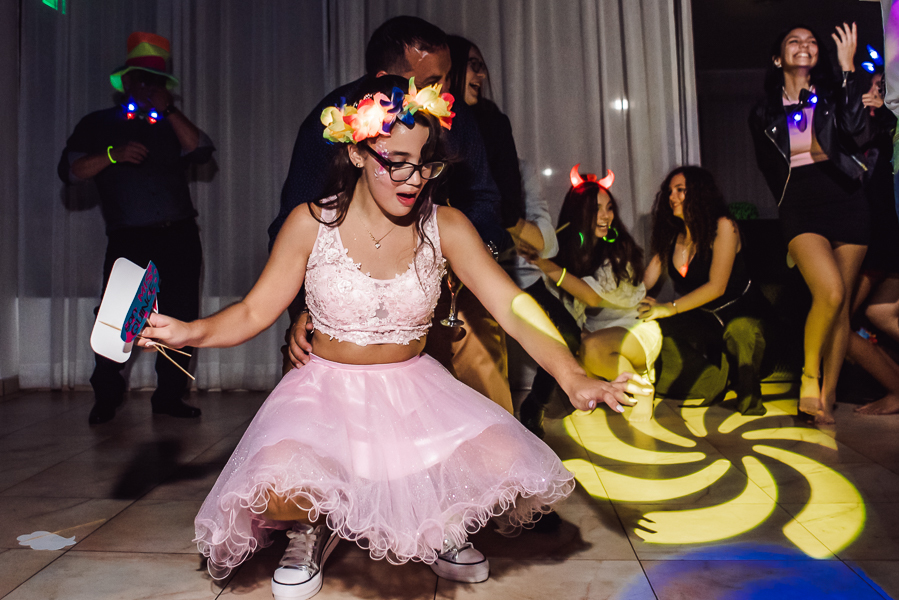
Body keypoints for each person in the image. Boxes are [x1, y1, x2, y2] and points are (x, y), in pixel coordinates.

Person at [139, 77, 649, 600]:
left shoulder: (447, 225)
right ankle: (312, 527)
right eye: (397, 162)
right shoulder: (310, 223)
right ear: (358, 153)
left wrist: (572, 375)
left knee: (501, 460)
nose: (414, 179)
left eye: (426, 163)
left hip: (412, 393)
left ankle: (438, 522)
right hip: (323, 395)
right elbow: (253, 311)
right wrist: (187, 331)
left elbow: (513, 307)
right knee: (276, 483)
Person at [277, 16, 514, 413]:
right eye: (432, 82)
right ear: (384, 81)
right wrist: (305, 308)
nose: (444, 92)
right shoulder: (330, 124)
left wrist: (464, 264)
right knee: (305, 371)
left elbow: (484, 198)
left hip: (439, 265)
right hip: (350, 283)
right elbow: (293, 224)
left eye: (446, 79)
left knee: (481, 350)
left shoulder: (454, 116)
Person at [58, 32, 214, 425]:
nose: (148, 87)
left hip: (179, 234)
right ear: (126, 81)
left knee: (180, 313)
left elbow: (202, 150)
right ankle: (106, 395)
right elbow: (71, 171)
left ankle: (169, 396)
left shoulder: (169, 123)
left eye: (156, 81)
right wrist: (112, 154)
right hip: (130, 236)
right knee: (118, 313)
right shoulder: (98, 124)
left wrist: (169, 110)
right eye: (142, 79)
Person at [749, 24, 870, 424]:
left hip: (847, 198)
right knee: (829, 292)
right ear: (778, 58)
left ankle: (828, 396)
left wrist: (849, 70)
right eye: (794, 41)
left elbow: (858, 133)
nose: (805, 45)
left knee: (842, 307)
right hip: (800, 203)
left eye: (812, 41)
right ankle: (809, 376)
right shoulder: (763, 112)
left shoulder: (834, 96)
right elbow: (770, 168)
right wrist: (788, 203)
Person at [519, 166, 662, 431]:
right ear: (578, 213)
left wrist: (543, 264)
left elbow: (592, 298)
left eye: (609, 208)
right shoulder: (568, 251)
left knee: (592, 347)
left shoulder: (618, 250)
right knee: (567, 348)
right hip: (594, 333)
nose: (606, 216)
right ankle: (603, 387)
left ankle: (642, 388)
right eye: (597, 209)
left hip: (633, 330)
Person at [639, 167, 771, 416]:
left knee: (740, 330)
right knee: (651, 327)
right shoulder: (673, 236)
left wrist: (669, 308)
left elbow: (717, 287)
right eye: (669, 191)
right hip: (705, 318)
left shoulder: (724, 226)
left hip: (741, 315)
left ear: (699, 193)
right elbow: (646, 282)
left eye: (680, 190)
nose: (672, 197)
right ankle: (712, 380)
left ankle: (747, 392)